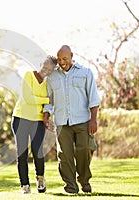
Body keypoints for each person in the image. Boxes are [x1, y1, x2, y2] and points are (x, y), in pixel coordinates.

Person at [43, 45, 100, 194]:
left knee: (85, 150)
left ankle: (84, 179)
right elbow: (49, 99)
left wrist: (93, 120)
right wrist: (46, 116)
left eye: (65, 59)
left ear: (72, 56)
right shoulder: (52, 76)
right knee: (64, 156)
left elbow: (93, 97)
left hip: (82, 120)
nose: (62, 62)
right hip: (62, 121)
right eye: (60, 59)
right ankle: (71, 186)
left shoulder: (85, 72)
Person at [11, 56, 56, 194]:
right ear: (40, 64)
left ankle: (40, 179)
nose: (46, 71)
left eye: (50, 70)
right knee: (22, 154)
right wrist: (47, 99)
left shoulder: (48, 83)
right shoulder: (28, 75)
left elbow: (50, 104)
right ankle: (25, 185)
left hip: (37, 121)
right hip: (21, 118)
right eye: (44, 67)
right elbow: (28, 98)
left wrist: (48, 117)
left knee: (38, 152)